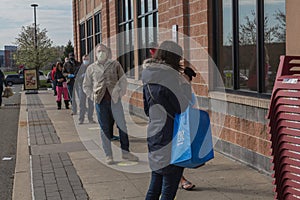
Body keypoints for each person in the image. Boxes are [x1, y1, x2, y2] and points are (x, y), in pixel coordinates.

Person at [142, 40, 192, 200]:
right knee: (169, 189)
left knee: (155, 184)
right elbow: (182, 106)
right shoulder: (169, 79)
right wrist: (185, 83)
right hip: (172, 138)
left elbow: (146, 109)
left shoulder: (148, 79)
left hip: (155, 135)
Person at [83, 43, 138, 164]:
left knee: (122, 127)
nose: (101, 53)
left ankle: (126, 152)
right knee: (105, 129)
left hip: (115, 101)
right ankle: (109, 155)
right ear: (96, 54)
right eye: (99, 51)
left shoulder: (115, 64)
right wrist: (92, 96)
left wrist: (121, 92)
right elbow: (86, 85)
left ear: (107, 52)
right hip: (100, 102)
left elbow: (123, 80)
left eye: (103, 51)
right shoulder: (91, 68)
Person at [76, 54, 96, 124]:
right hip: (81, 87)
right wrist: (82, 76)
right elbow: (77, 78)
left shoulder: (92, 67)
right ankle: (81, 119)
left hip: (90, 88)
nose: (86, 61)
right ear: (82, 60)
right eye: (84, 59)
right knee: (82, 104)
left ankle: (90, 118)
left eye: (87, 59)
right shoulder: (79, 68)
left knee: (91, 104)